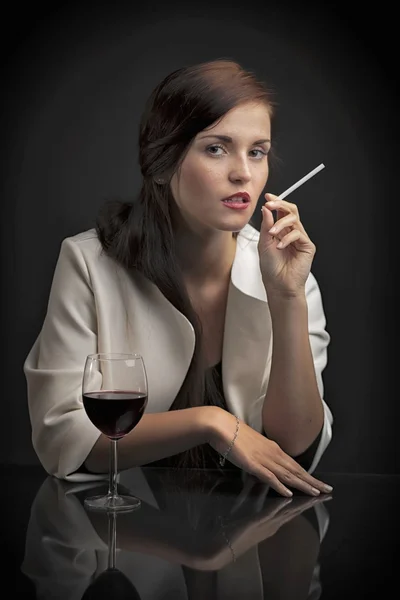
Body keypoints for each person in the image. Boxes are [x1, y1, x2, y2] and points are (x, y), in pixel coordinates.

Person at [23, 59, 334, 497]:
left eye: (257, 151)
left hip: (252, 545)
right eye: (216, 148)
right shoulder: (89, 263)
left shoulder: (285, 271)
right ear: (162, 165)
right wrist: (210, 422)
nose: (243, 172)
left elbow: (296, 447)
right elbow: (65, 442)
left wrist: (287, 298)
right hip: (126, 543)